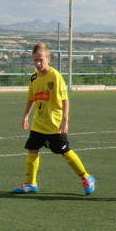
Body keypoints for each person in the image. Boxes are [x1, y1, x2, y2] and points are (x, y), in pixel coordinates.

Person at [13, 42, 95, 195]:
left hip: (54, 124)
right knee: (32, 150)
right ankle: (31, 183)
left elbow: (65, 99)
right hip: (38, 124)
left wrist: (65, 120)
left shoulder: (55, 76)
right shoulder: (33, 78)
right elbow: (31, 98)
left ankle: (86, 177)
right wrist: (25, 116)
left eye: (41, 60)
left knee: (64, 151)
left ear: (48, 59)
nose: (37, 63)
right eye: (35, 60)